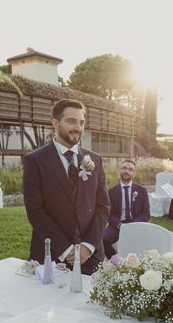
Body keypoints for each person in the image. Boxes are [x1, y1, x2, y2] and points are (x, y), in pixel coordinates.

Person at [23, 99, 109, 275]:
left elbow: (103, 207)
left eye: (81, 122)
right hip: (52, 255)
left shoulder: (95, 160)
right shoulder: (35, 160)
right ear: (55, 123)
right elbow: (35, 211)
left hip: (91, 257)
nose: (78, 127)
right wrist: (65, 249)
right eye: (71, 121)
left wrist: (88, 246)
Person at [103, 159, 150, 258]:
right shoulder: (111, 192)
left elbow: (146, 213)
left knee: (145, 242)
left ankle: (139, 262)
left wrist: (133, 226)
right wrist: (119, 224)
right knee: (104, 239)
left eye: (130, 169)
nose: (126, 171)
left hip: (136, 224)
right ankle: (117, 261)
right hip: (118, 225)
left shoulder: (142, 191)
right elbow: (108, 214)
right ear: (120, 170)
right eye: (124, 168)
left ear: (134, 173)